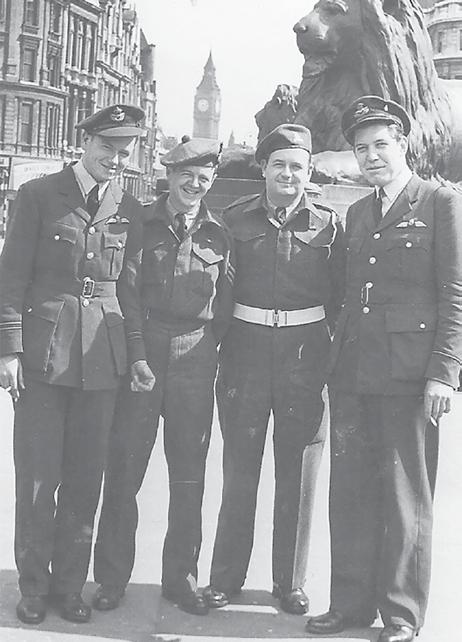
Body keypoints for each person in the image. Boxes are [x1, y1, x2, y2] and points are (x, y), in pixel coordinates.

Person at [305, 96, 462, 642]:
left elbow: (456, 294)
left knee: (404, 496)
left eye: (380, 145)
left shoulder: (440, 203)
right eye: (361, 148)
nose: (371, 156)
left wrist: (444, 371)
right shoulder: (358, 212)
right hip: (354, 370)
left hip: (408, 375)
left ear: (403, 145)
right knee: (349, 492)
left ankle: (401, 614)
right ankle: (349, 604)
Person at [0, 104, 146, 624]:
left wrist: (136, 355)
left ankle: (68, 587)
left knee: (86, 480)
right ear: (85, 142)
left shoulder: (130, 208)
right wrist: (9, 350)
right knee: (39, 480)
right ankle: (33, 587)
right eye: (108, 147)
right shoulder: (39, 195)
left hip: (102, 360)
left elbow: (130, 291)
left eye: (125, 151)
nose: (116, 159)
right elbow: (11, 275)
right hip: (43, 357)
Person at [203, 124, 345, 615]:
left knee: (299, 474)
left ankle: (290, 582)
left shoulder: (329, 226)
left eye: (297, 167)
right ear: (263, 167)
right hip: (245, 352)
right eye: (279, 164)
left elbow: (340, 296)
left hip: (305, 358)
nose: (288, 174)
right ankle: (226, 578)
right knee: (239, 469)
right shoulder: (234, 218)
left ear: (309, 172)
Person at [92, 136, 234, 616]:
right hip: (144, 353)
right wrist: (137, 354)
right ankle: (111, 578)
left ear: (212, 180)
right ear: (169, 176)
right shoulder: (140, 223)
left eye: (203, 177)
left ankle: (181, 580)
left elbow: (226, 304)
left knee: (189, 476)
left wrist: (205, 350)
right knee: (124, 470)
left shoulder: (220, 232)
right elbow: (127, 294)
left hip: (196, 356)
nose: (194, 184)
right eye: (185, 175)